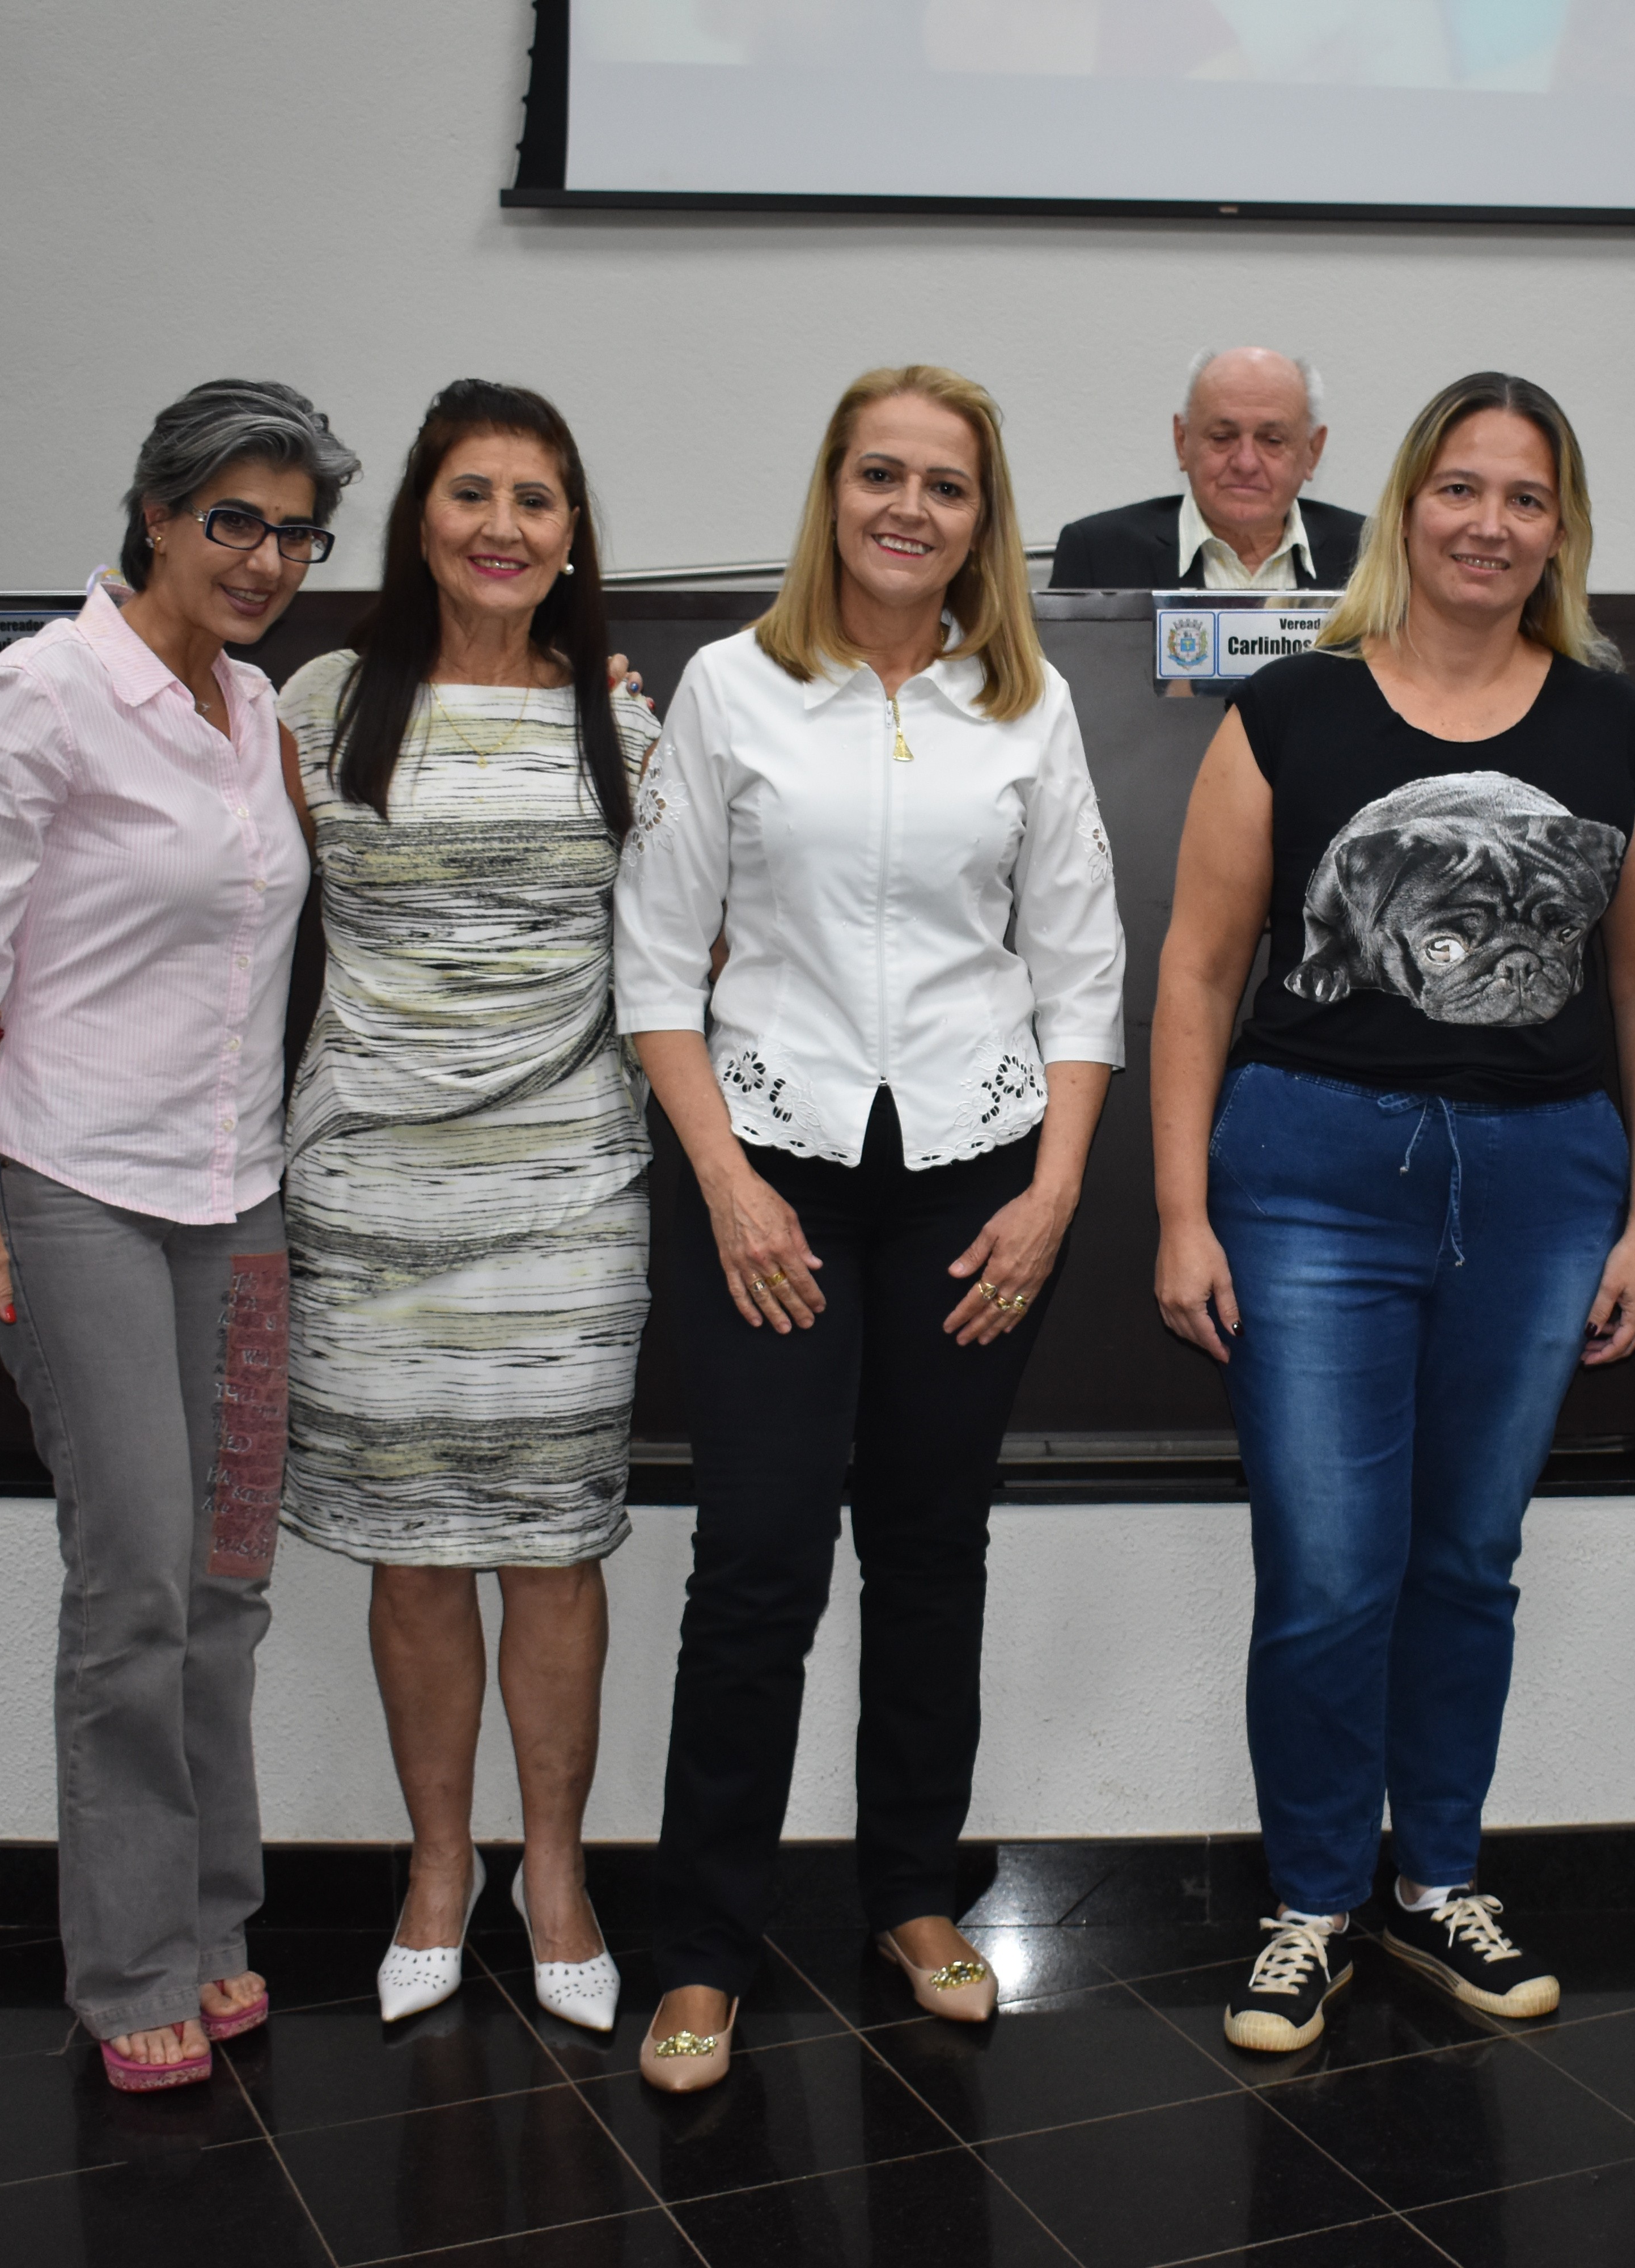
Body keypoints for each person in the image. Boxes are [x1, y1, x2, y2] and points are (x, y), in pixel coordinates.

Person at [1150, 371, 1635, 2054]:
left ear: (1558, 531)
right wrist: (1179, 1209)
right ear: (1404, 507)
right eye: (1458, 488)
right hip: (1307, 1174)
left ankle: (1435, 1878)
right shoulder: (1292, 717)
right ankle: (1311, 1897)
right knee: (1325, 1570)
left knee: (1466, 1560)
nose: (1486, 523)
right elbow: (1192, 967)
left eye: (1522, 498)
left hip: (1543, 1188)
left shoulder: (1621, 737)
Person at [612, 365, 1126, 2092]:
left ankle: (912, 1888)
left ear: (985, 520)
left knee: (930, 1544)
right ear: (830, 493)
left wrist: (1052, 1192)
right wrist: (729, 1181)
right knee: (756, 1560)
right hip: (769, 1172)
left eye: (948, 486)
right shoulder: (732, 689)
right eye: (880, 475)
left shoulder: (1023, 704)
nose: (910, 507)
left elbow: (1079, 970)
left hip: (976, 1178)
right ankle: (700, 1945)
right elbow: (654, 964)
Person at [0, 380, 356, 2091]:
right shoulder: (40, 695)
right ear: (155, 513)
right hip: (73, 1192)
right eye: (231, 518)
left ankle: (217, 1921)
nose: (262, 558)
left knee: (229, 1582)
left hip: (238, 1202)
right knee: (137, 1584)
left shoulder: (256, 709)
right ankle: (128, 1964)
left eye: (295, 530)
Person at [272, 382, 660, 2034]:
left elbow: (678, 958)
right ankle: (439, 1869)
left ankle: (554, 1870)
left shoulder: (619, 724)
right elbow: (230, 927)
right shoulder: (320, 700)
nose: (503, 526)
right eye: (472, 493)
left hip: (565, 1193)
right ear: (420, 517)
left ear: (573, 535)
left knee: (554, 1551)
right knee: (415, 1558)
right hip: (368, 1190)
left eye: (538, 500)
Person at [1048, 347, 1365, 590]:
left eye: (1272, 440)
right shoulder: (1098, 555)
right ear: (1182, 441)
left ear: (1313, 451)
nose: (1245, 463)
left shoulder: (1374, 554)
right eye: (1222, 438)